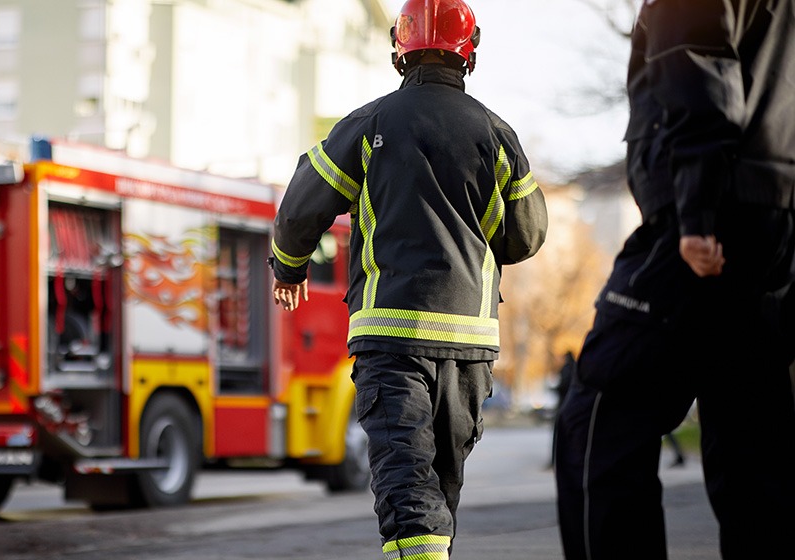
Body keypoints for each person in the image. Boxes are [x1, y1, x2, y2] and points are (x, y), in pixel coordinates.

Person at [269, 1, 548, 557]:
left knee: (406, 486)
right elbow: (525, 236)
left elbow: (301, 206)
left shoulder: (369, 124)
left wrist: (289, 264)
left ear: (400, 50)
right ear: (468, 52)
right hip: (469, 347)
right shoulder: (496, 134)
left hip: (392, 340)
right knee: (437, 490)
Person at [554, 1, 795, 559]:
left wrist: (698, 211)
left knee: (599, 417)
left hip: (709, 221)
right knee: (753, 441)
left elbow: (698, 61)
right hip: (772, 223)